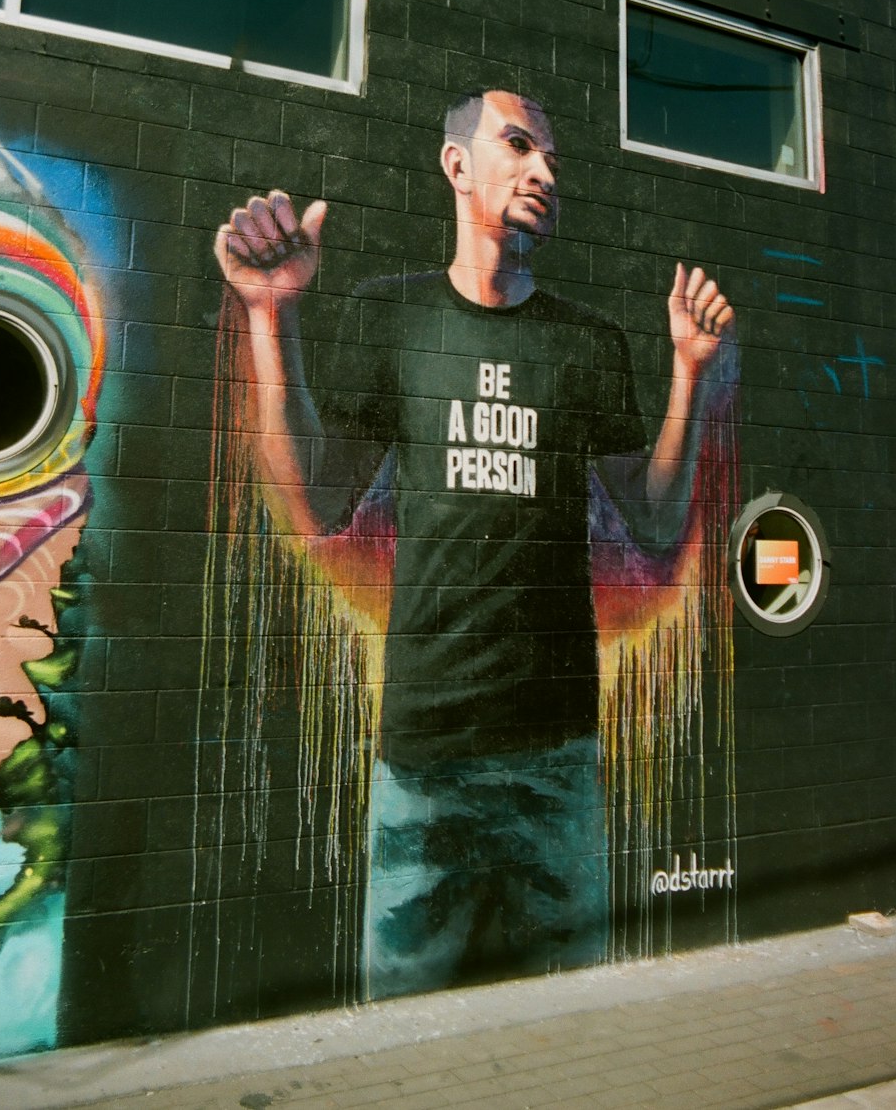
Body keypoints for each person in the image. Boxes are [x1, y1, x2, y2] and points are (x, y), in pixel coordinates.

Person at [215, 87, 734, 997]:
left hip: (558, 758)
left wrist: (687, 371)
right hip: (425, 754)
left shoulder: (589, 343)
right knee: (405, 1037)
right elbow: (316, 499)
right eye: (520, 146)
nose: (543, 173)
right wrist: (271, 316)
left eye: (554, 164)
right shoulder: (393, 318)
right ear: (458, 165)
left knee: (562, 1028)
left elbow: (652, 521)